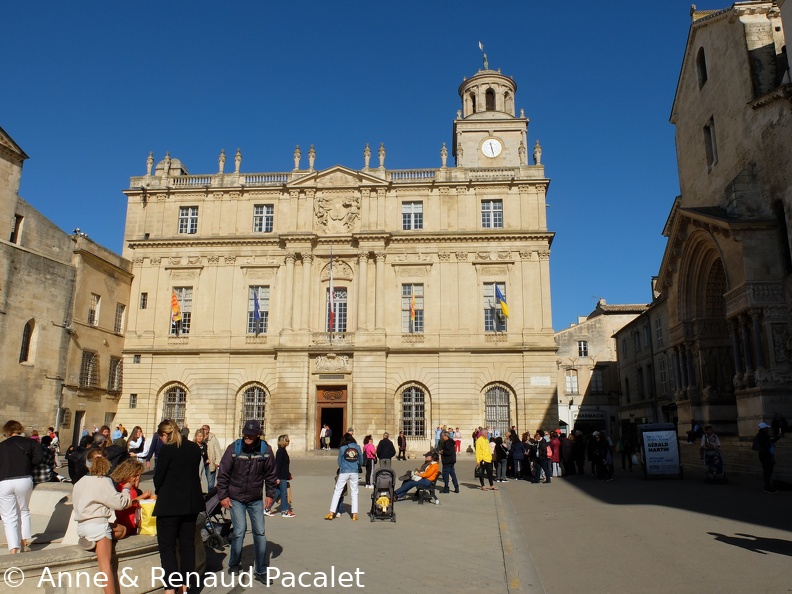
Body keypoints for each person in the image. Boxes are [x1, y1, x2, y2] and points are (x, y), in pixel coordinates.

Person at [217, 420, 277, 582]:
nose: (247, 437)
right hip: (236, 497)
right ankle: (234, 563)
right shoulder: (233, 448)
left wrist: (270, 494)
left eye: (251, 435)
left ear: (258, 435)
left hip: (255, 498)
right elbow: (223, 473)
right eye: (245, 434)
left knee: (260, 533)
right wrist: (222, 496)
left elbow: (271, 475)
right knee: (239, 531)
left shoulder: (266, 450)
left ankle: (261, 571)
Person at [152, 420, 205, 594]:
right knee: (187, 545)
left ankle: (170, 587)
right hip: (190, 503)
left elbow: (158, 477)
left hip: (169, 504)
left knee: (167, 547)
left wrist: (159, 491)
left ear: (164, 434)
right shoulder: (194, 448)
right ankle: (185, 584)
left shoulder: (167, 449)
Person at [72, 450, 131, 594]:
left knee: (121, 530)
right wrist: (127, 490)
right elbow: (120, 503)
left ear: (87, 465)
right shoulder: (104, 481)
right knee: (105, 566)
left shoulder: (79, 483)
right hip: (98, 524)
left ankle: (92, 541)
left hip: (82, 525)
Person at [0, 420, 42, 554]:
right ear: (20, 430)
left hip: (4, 480)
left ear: (6, 431)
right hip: (24, 478)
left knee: (8, 515)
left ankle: (13, 547)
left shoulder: (2, 446)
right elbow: (38, 459)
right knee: (23, 510)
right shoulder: (31, 443)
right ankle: (24, 541)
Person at [110, 459, 153, 537]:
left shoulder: (133, 488)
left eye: (138, 476)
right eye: (135, 476)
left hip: (133, 525)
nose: (137, 478)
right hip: (125, 525)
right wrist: (142, 496)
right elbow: (124, 504)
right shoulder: (121, 488)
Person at [325, 432, 362, 521]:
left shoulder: (342, 448)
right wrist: (358, 466)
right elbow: (361, 459)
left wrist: (342, 467)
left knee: (337, 492)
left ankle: (331, 512)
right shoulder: (357, 447)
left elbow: (339, 461)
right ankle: (354, 514)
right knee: (354, 492)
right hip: (354, 471)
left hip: (344, 471)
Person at [266, 434, 294, 517]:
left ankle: (267, 508)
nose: (289, 442)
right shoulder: (281, 451)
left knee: (278, 492)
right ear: (283, 441)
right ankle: (285, 511)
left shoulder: (282, 450)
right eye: (287, 440)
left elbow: (284, 465)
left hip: (283, 475)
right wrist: (277, 477)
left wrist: (288, 474)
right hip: (281, 476)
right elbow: (277, 465)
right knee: (284, 494)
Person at [754, 422, 782, 493]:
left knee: (767, 472)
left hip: (765, 456)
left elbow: (769, 443)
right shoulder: (763, 435)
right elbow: (766, 447)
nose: (768, 429)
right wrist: (770, 456)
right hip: (766, 456)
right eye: (766, 428)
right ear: (764, 428)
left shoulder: (762, 435)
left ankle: (767, 487)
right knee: (768, 472)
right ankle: (768, 488)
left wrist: (777, 437)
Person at [202, 424, 223, 491]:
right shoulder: (200, 438)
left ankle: (210, 495)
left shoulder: (213, 439)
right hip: (202, 462)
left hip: (210, 462)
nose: (202, 430)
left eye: (204, 429)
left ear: (208, 430)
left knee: (210, 483)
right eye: (202, 429)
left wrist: (217, 462)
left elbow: (218, 451)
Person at [194, 429, 210, 493]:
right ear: (195, 437)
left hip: (204, 465)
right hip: (196, 465)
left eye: (201, 436)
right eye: (198, 436)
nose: (199, 438)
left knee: (204, 479)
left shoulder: (204, 445)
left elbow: (205, 454)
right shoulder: (193, 445)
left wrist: (207, 459)